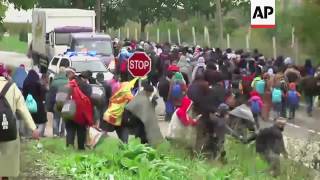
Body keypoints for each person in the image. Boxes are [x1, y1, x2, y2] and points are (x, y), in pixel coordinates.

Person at [0, 65, 40, 179]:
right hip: (7, 128)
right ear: (5, 75)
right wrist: (33, 128)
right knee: (6, 163)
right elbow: (23, 109)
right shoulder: (12, 87)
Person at [66, 74, 94, 150]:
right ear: (82, 79)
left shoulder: (69, 85)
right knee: (81, 130)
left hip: (69, 110)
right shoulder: (87, 86)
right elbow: (89, 99)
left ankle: (69, 146)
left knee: (70, 129)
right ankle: (81, 147)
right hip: (81, 112)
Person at [22, 70, 47, 137]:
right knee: (40, 121)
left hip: (27, 104)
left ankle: (28, 135)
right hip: (37, 104)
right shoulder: (37, 82)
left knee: (29, 119)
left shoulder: (25, 81)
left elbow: (24, 93)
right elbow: (41, 93)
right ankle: (38, 135)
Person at [48, 67, 69, 137]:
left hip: (57, 102)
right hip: (65, 102)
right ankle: (62, 133)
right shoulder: (68, 81)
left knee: (56, 118)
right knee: (64, 119)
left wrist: (50, 105)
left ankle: (55, 133)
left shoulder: (54, 82)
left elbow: (51, 95)